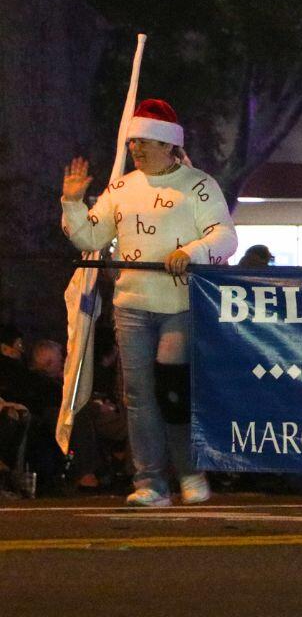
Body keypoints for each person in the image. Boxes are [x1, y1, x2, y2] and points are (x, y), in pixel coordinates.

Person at [61, 98, 238, 507]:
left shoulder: (198, 184)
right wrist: (72, 203)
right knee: (138, 394)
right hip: (131, 304)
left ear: (168, 145)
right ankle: (150, 483)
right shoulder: (121, 187)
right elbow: (89, 238)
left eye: (144, 141)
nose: (136, 149)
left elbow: (226, 238)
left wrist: (191, 253)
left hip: (181, 305)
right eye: (133, 142)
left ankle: (192, 473)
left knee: (171, 386)